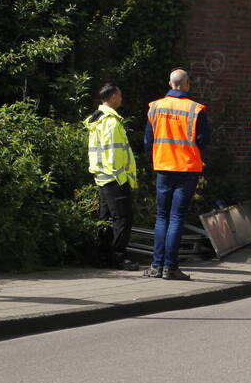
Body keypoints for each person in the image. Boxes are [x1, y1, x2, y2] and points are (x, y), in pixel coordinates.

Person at [143, 68, 209, 280]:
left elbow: (147, 141)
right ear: (187, 83)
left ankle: (156, 266)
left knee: (161, 216)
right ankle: (170, 268)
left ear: (171, 84)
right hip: (187, 168)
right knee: (177, 217)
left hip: (163, 167)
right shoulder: (196, 109)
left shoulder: (155, 107)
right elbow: (203, 140)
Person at [84, 82, 139, 271]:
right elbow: (113, 152)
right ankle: (119, 257)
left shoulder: (97, 119)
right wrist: (121, 177)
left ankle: (103, 257)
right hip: (115, 177)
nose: (122, 99)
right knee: (122, 218)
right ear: (113, 97)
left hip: (102, 176)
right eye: (120, 95)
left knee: (106, 218)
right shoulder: (110, 121)